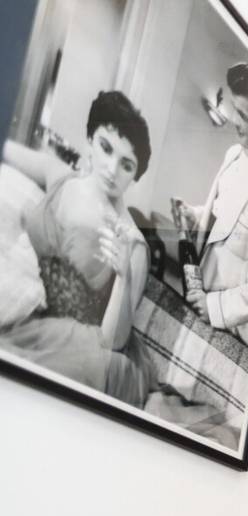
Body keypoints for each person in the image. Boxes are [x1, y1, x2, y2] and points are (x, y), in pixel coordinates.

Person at [0, 91, 152, 405]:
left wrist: (123, 279)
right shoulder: (60, 177)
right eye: (106, 148)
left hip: (85, 351)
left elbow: (114, 342)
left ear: (135, 176)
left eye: (126, 165)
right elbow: (6, 147)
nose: (111, 168)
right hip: (28, 316)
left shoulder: (133, 242)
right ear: (90, 139)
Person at [174, 63, 248, 346]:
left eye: (243, 116)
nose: (235, 120)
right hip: (197, 291)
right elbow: (221, 218)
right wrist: (193, 215)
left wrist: (213, 307)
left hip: (227, 329)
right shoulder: (233, 154)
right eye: (234, 109)